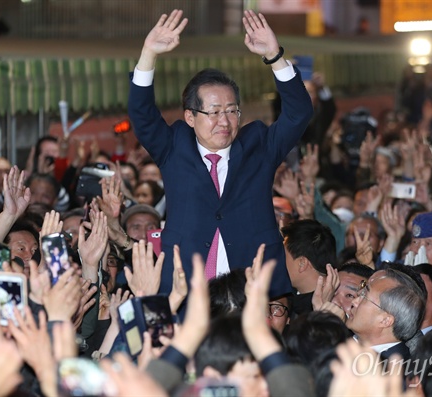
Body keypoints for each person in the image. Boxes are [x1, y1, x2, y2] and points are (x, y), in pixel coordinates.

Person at [127, 9, 313, 298]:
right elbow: (142, 115)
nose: (224, 122)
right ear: (190, 117)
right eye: (213, 113)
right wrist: (148, 54)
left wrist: (275, 56)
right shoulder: (173, 146)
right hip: (187, 285)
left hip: (254, 285)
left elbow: (299, 113)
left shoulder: (259, 145)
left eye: (231, 111)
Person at [345, 268, 426, 361]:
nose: (354, 302)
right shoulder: (343, 342)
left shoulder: (393, 370)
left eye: (364, 297)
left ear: (385, 321)